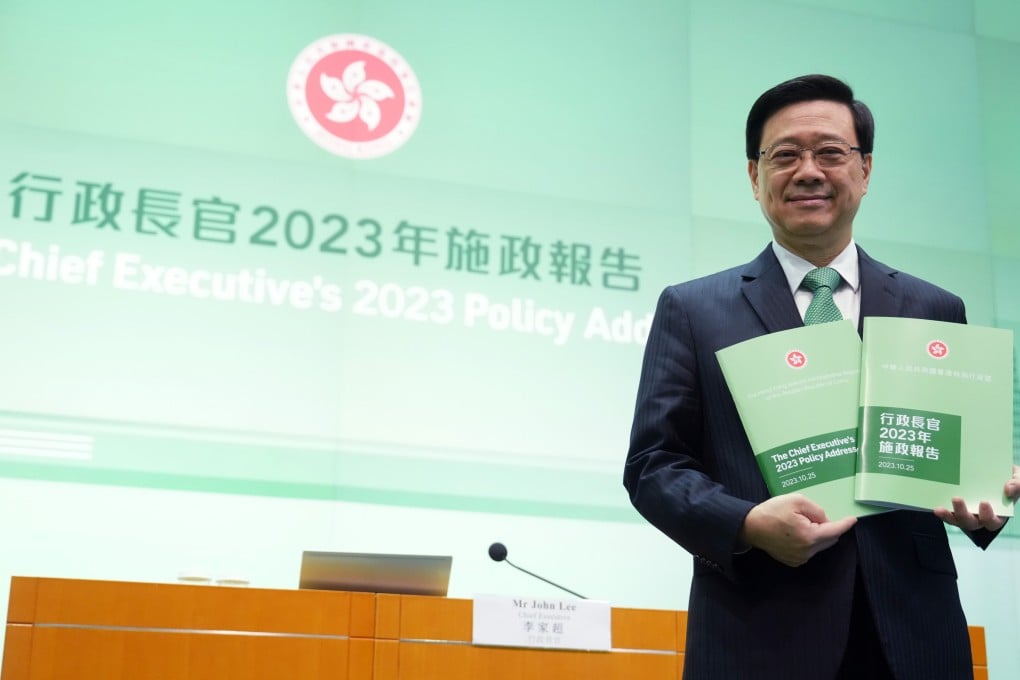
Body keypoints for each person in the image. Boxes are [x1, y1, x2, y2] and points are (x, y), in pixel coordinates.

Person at [623, 74, 1020, 680]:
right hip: (758, 634)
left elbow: (955, 469)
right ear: (754, 177)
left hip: (914, 635)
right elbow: (654, 465)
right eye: (785, 155)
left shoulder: (934, 308)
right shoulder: (694, 309)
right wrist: (747, 525)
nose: (809, 170)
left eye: (831, 153)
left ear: (865, 171)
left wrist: (986, 503)